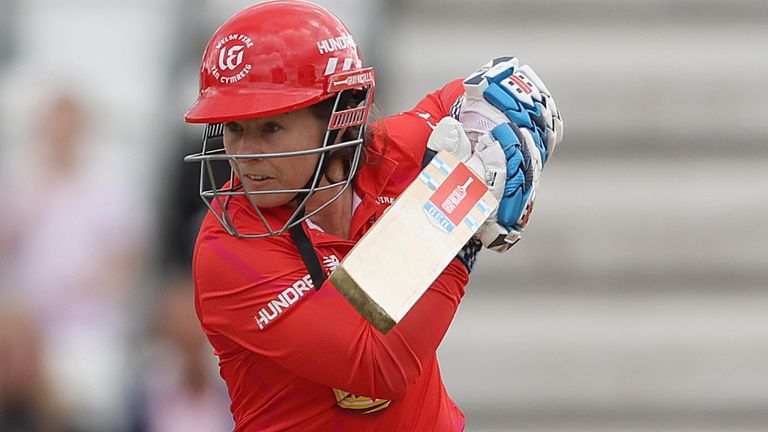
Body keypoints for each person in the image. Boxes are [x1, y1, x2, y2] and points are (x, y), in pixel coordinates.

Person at [184, 1, 562, 431]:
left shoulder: (389, 154)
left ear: (341, 115)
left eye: (270, 128)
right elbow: (379, 369)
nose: (245, 156)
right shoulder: (228, 250)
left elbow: (478, 92)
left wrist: (492, 122)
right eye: (234, 129)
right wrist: (462, 225)